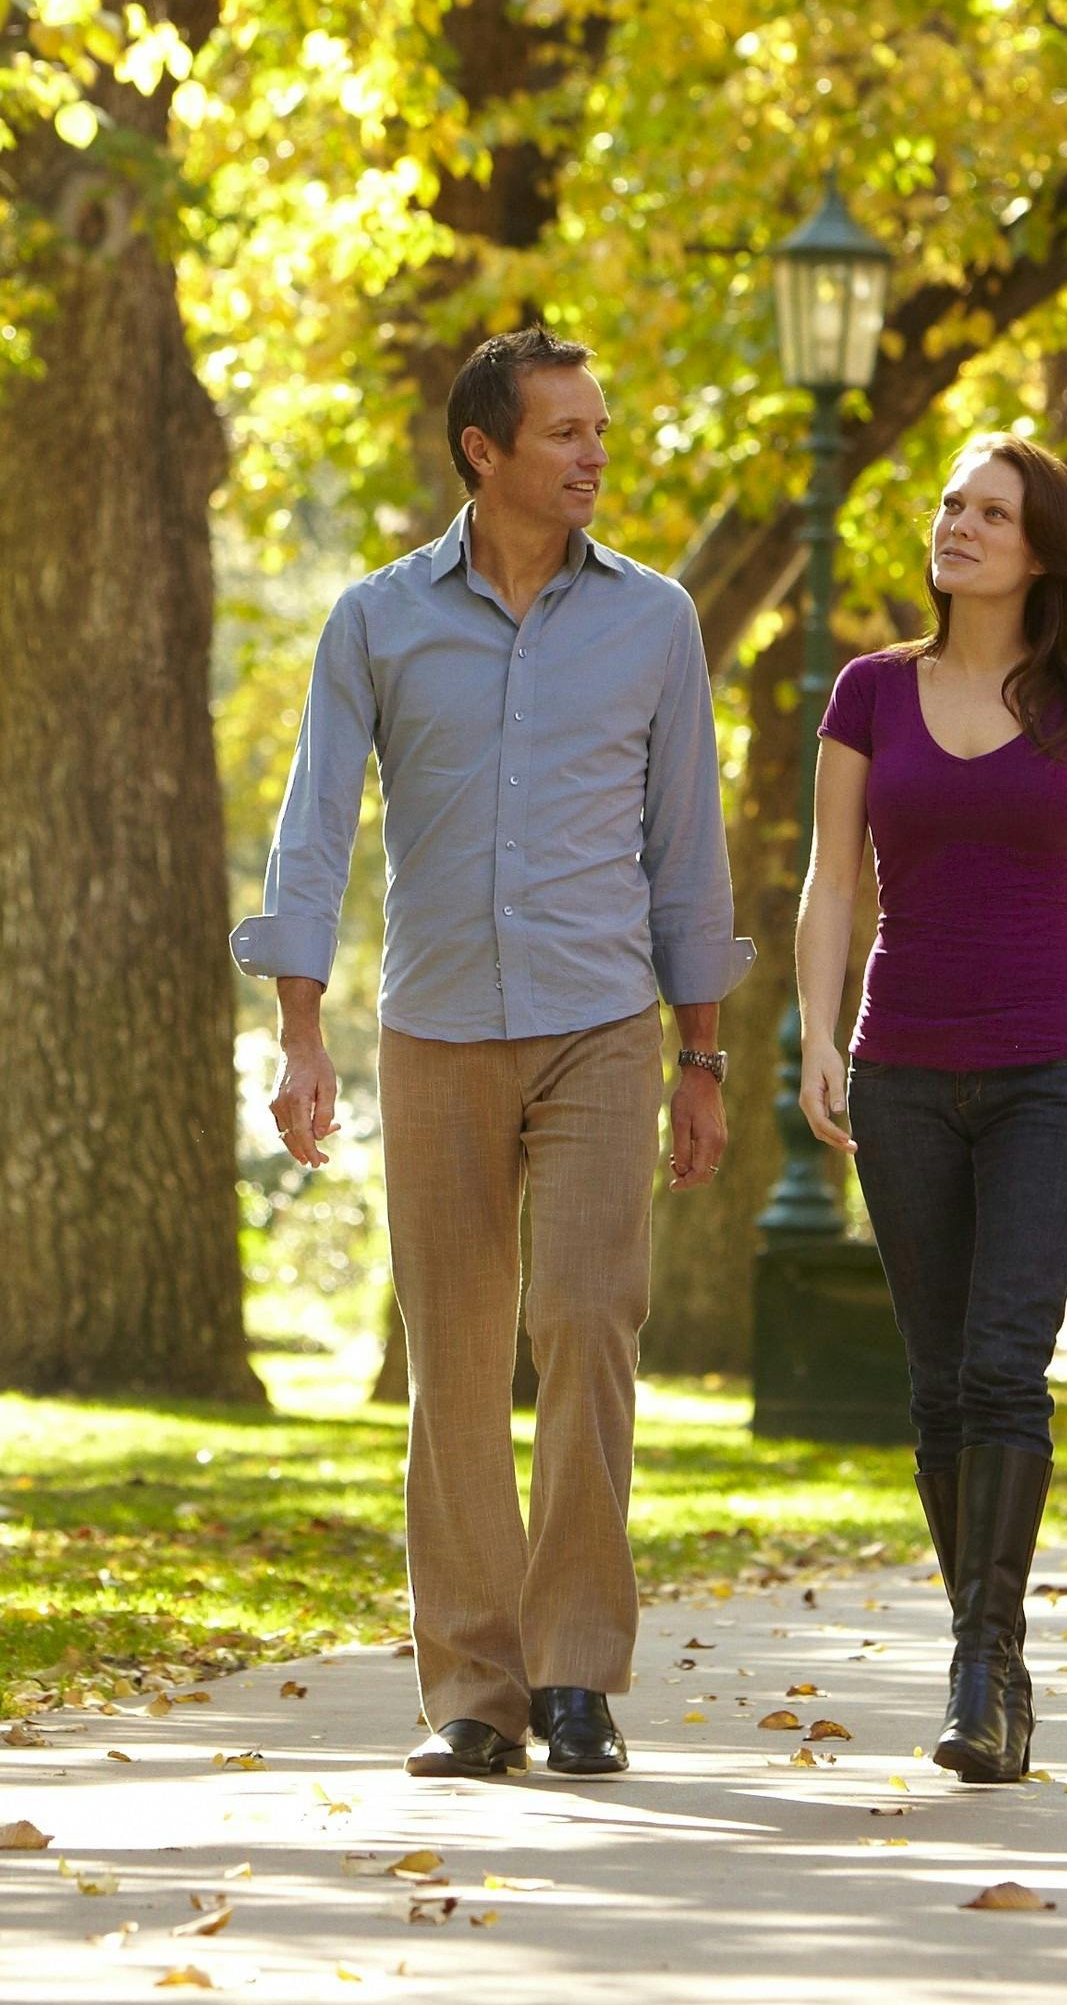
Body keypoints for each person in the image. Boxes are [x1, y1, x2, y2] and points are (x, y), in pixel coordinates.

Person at [243, 328, 739, 1783]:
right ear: (484, 452)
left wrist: (700, 1052)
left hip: (601, 1023)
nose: (594, 455)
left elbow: (687, 845)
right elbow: (314, 824)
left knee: (585, 1320)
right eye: (565, 434)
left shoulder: (653, 621)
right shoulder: (377, 621)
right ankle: (472, 1689)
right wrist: (297, 1033)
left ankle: (577, 1671)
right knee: (452, 1357)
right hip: (436, 1025)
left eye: (600, 429)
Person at [791, 435, 1067, 1787]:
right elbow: (829, 882)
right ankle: (992, 1660)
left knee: (1007, 1363)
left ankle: (979, 1666)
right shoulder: (868, 694)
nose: (957, 525)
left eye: (991, 512)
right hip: (900, 1067)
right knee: (939, 1384)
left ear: (1039, 552)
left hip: (1051, 1073)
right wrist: (819, 1039)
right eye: (951, 505)